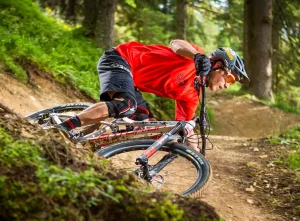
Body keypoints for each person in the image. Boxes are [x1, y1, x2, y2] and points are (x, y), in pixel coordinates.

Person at [54, 40, 249, 146]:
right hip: (121, 58)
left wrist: (194, 153)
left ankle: (82, 140)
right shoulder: (192, 56)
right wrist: (197, 56)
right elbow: (176, 44)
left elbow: (183, 126)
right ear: (217, 65)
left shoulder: (192, 96)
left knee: (146, 124)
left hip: (132, 81)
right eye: (230, 79)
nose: (227, 85)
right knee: (125, 105)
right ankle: (61, 129)